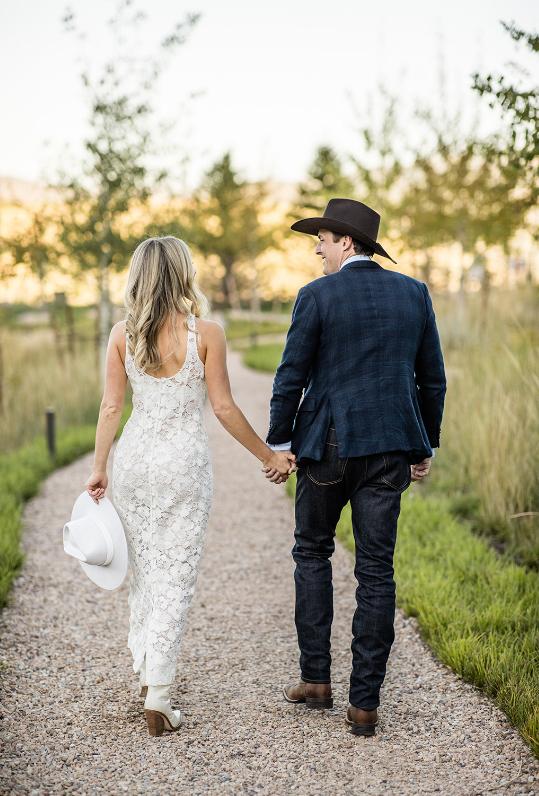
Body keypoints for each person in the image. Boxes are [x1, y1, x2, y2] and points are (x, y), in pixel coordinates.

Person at [85, 236, 295, 737]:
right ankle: (158, 693)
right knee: (175, 573)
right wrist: (269, 457)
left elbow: (111, 407)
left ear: (138, 277)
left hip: (133, 462)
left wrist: (99, 468)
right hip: (183, 465)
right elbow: (222, 407)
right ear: (183, 274)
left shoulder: (122, 334)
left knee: (145, 570)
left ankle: (145, 669)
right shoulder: (207, 333)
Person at [264, 198, 446, 736]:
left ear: (347, 242)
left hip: (327, 447)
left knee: (312, 551)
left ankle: (316, 680)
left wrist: (280, 440)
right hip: (390, 449)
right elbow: (431, 379)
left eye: (321, 237)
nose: (316, 247)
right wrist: (423, 446)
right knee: (375, 572)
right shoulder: (414, 293)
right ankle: (364, 705)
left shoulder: (316, 295)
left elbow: (290, 375)